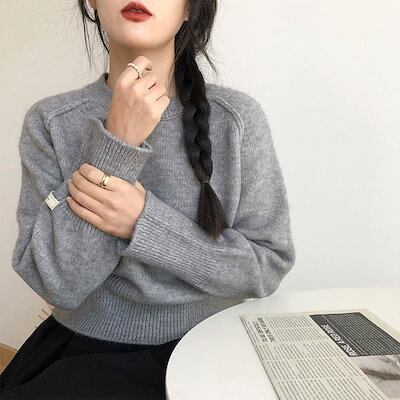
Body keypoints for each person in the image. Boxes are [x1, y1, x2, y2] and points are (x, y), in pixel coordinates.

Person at [0, 0, 296, 398]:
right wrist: (116, 144)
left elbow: (267, 267)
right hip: (84, 354)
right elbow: (57, 284)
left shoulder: (237, 119)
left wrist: (143, 223)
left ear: (190, 9)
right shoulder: (51, 121)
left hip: (211, 352)